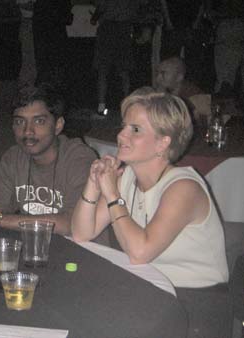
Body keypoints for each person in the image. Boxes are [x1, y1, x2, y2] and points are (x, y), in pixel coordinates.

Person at [72, 88, 228, 288]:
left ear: (162, 144)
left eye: (135, 129)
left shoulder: (184, 188)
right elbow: (81, 233)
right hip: (151, 285)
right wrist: (93, 184)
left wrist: (112, 195)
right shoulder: (126, 177)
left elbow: (139, 253)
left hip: (197, 296)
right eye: (123, 126)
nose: (121, 135)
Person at [0, 84, 97, 235]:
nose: (27, 131)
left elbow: (73, 223)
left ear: (58, 125)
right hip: (35, 245)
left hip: (82, 250)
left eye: (39, 121)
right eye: (20, 122)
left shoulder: (80, 159)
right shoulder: (13, 158)